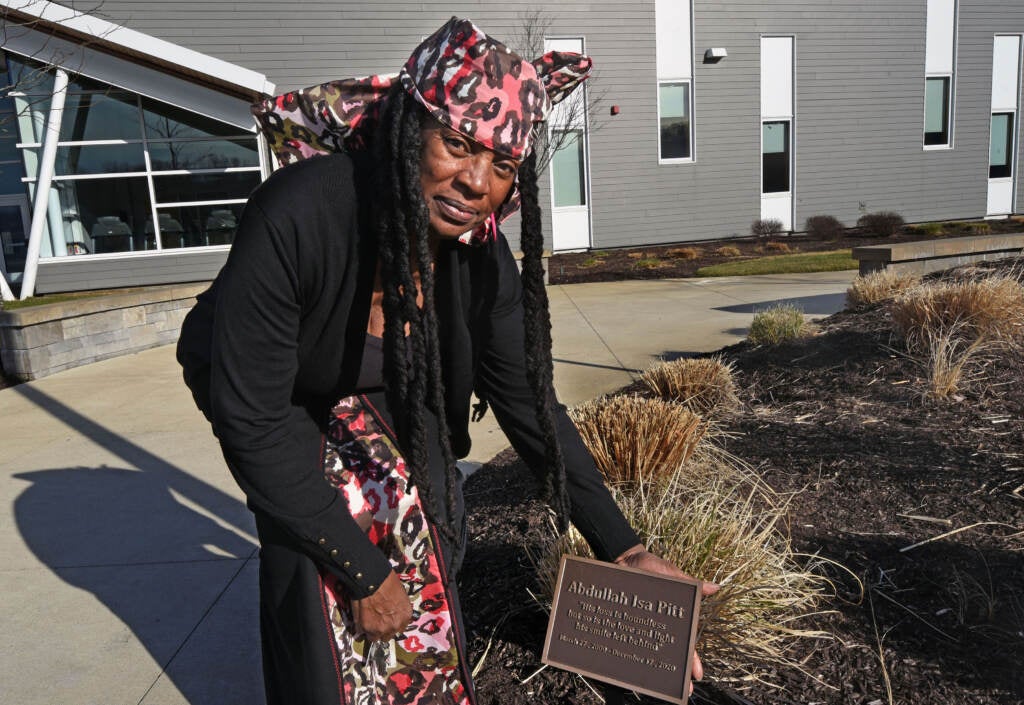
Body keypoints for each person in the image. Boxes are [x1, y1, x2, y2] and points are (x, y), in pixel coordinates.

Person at [176, 16, 716, 705]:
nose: (476, 182)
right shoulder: (299, 212)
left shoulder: (476, 253)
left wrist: (624, 545)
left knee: (430, 541)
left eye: (503, 164)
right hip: (280, 394)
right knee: (315, 582)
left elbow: (530, 402)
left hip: (388, 390)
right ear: (409, 128)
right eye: (457, 144)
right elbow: (251, 417)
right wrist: (363, 570)